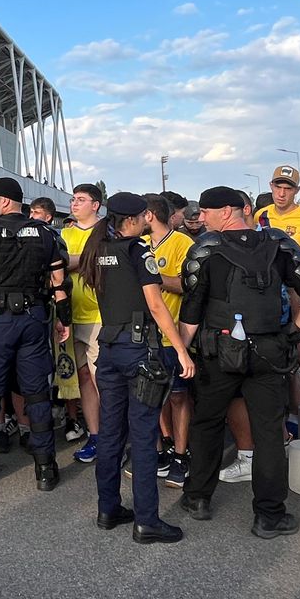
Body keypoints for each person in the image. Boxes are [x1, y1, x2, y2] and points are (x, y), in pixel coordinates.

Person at [177, 186, 300, 539]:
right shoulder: (279, 244)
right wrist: (295, 331)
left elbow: (192, 309)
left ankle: (198, 497)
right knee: (269, 432)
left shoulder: (204, 250)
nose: (203, 218)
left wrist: (182, 352)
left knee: (208, 423)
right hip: (270, 351)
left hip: (218, 351)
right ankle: (269, 515)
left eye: (208, 212)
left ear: (226, 211)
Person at [77, 193, 194, 544]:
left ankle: (108, 508)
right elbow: (156, 305)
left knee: (112, 432)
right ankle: (147, 521)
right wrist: (181, 351)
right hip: (139, 349)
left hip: (109, 348)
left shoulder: (98, 248)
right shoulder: (138, 250)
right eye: (144, 215)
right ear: (135, 218)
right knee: (143, 437)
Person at [0, 177, 70, 491]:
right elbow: (60, 284)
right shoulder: (47, 234)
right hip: (33, 318)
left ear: (5, 201)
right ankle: (45, 468)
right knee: (36, 393)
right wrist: (64, 319)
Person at [255, 165, 300, 444]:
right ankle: (284, 425)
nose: (282, 193)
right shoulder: (262, 216)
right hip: (271, 304)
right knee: (278, 368)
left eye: (288, 188)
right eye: (278, 186)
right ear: (271, 187)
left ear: (297, 190)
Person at [141, 193, 195, 489]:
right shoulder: (139, 244)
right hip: (144, 336)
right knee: (152, 396)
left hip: (172, 335)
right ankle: (162, 448)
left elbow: (188, 285)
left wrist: (152, 277)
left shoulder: (182, 243)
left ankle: (181, 454)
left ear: (149, 215)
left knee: (178, 396)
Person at [61, 183, 104, 463]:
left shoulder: (106, 232)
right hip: (71, 316)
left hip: (101, 316)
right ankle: (95, 435)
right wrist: (86, 260)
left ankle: (114, 437)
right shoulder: (64, 233)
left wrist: (74, 262)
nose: (74, 204)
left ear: (95, 205)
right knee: (84, 379)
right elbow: (58, 263)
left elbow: (104, 262)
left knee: (104, 381)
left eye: (81, 199)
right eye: (73, 199)